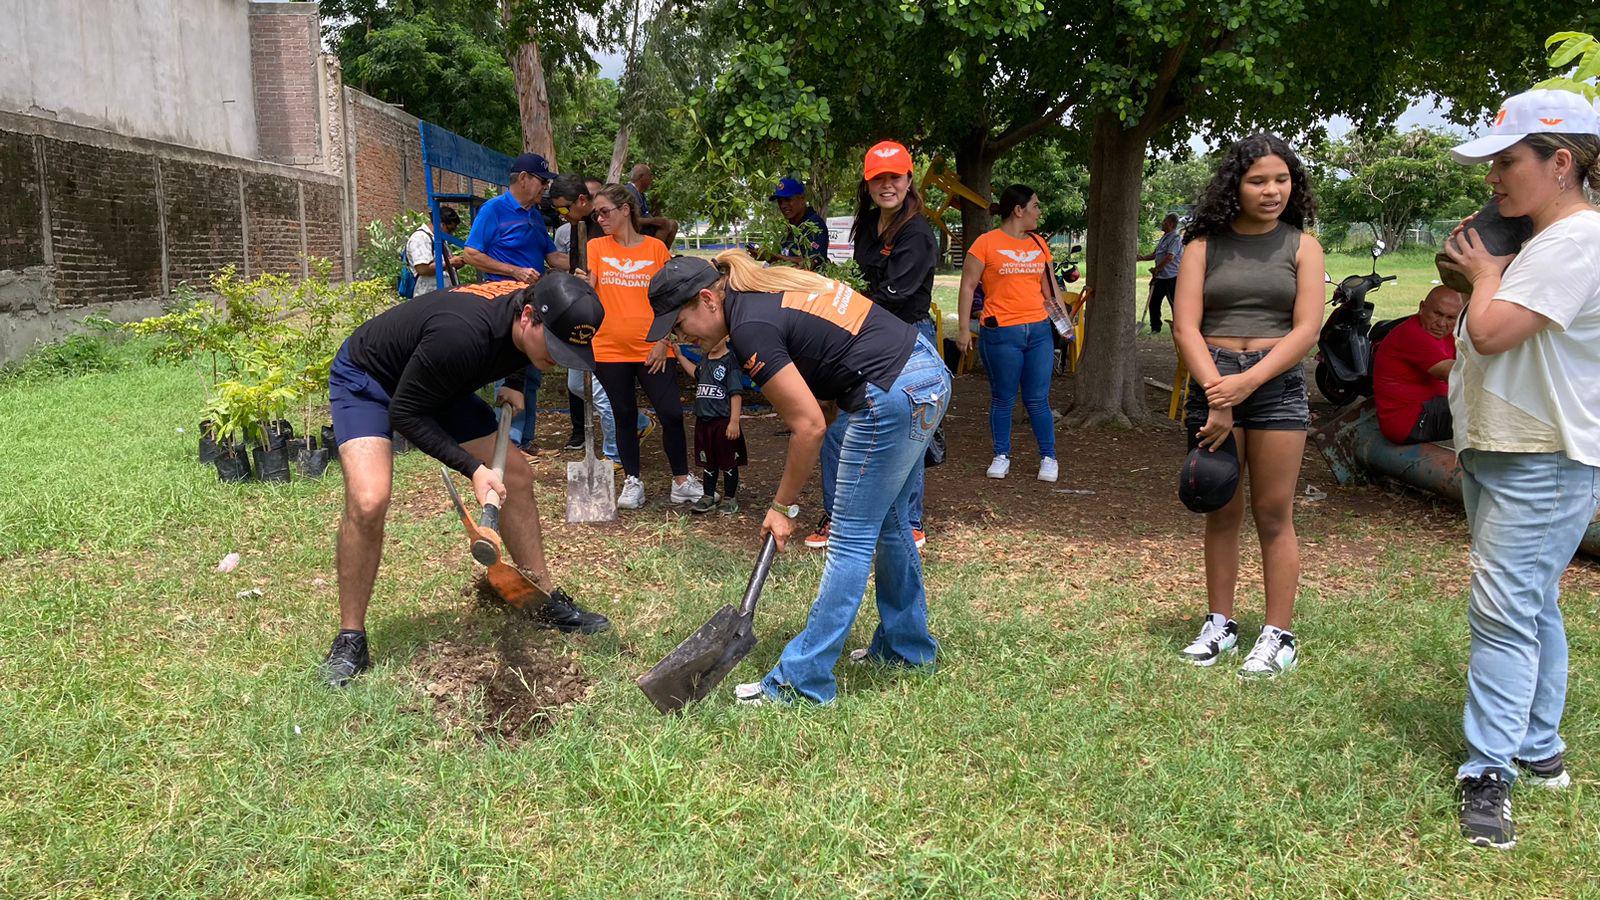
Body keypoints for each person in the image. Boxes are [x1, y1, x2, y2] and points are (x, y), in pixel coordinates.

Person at [644, 250, 951, 705]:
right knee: (888, 522)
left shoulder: (749, 329)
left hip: (890, 391)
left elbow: (809, 426)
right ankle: (908, 649)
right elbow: (827, 365)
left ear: (708, 298)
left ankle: (801, 681)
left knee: (849, 536)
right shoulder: (767, 290)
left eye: (679, 322)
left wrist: (782, 507)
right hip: (924, 373)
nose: (681, 335)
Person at [1437, 88, 1600, 851]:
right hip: (1510, 449)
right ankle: (1539, 749)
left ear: (1560, 162)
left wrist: (1479, 274)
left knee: (1503, 615)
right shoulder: (1545, 242)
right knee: (1531, 607)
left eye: (1508, 161)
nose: (1495, 178)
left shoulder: (1577, 241)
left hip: (1540, 458)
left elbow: (1496, 330)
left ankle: (1489, 773)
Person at [320, 275, 612, 687]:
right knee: (370, 499)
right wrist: (473, 469)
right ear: (529, 317)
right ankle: (351, 636)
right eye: (556, 348)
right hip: (371, 379)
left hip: (438, 380)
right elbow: (406, 414)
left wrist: (513, 383)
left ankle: (542, 600)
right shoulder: (461, 336)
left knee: (516, 473)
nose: (560, 360)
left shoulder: (526, 305)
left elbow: (514, 349)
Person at [1171, 133, 1326, 680]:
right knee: (1222, 509)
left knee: (1273, 512)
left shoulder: (1303, 246)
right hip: (1213, 381)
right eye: (1259, 180)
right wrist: (1220, 392)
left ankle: (1277, 634)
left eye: (1281, 180)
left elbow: (1307, 327)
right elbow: (1185, 326)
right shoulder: (1202, 246)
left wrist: (1249, 382)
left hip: (1277, 383)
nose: (1271, 191)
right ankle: (1221, 624)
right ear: (1235, 185)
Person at [806, 140, 939, 551]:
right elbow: (863, 280)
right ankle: (837, 516)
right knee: (838, 428)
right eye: (878, 178)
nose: (886, 185)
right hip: (870, 333)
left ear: (908, 180)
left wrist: (842, 306)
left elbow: (895, 295)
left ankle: (910, 522)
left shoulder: (917, 232)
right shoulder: (866, 224)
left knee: (910, 430)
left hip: (909, 338)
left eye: (894, 177)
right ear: (867, 184)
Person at [587, 183, 701, 508]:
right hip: (609, 349)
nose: (600, 217)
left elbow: (671, 299)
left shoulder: (654, 249)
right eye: (596, 213)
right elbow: (589, 291)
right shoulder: (596, 248)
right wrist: (582, 286)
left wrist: (662, 340)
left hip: (653, 347)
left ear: (625, 210)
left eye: (605, 211)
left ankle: (681, 481)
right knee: (623, 415)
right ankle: (632, 482)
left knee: (671, 413)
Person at [954, 184, 1061, 484]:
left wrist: (1063, 324)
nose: (1039, 211)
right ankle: (1001, 454)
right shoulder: (986, 243)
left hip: (1038, 332)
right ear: (1019, 210)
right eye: (1036, 205)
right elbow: (968, 286)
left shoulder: (1039, 244)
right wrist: (964, 329)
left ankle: (1048, 457)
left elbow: (1049, 291)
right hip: (1001, 334)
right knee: (1003, 398)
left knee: (1038, 399)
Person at [461, 154, 568, 453]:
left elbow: (552, 257)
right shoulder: (494, 210)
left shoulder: (534, 215)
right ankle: (508, 444)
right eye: (541, 181)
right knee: (507, 372)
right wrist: (515, 271)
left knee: (531, 368)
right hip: (503, 304)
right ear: (523, 178)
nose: (545, 188)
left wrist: (586, 262)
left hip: (531, 304)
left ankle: (526, 440)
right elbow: (471, 253)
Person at [1372, 285, 1464, 444]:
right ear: (1422, 308)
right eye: (1437, 314)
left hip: (1430, 409)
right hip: (1413, 422)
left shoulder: (1446, 334)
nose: (1442, 323)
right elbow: (1454, 373)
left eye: (1450, 318)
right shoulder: (1413, 334)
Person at [678, 335, 745, 515]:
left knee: (728, 461)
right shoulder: (706, 358)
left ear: (726, 336)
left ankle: (730, 498)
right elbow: (697, 373)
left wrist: (734, 421)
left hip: (722, 421)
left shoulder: (730, 361)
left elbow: (736, 393)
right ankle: (708, 496)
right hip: (704, 421)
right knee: (708, 461)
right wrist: (681, 357)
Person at [765, 177, 829, 269]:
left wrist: (775, 257)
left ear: (802, 198)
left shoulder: (815, 225)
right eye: (780, 201)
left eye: (788, 200)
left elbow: (811, 263)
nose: (783, 206)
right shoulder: (789, 228)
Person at [403, 206, 464, 297]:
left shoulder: (438, 239)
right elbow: (422, 269)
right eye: (450, 229)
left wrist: (456, 263)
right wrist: (451, 263)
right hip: (428, 296)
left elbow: (443, 265)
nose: (451, 234)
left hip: (442, 295)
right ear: (441, 224)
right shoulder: (420, 238)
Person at [1138, 213, 1185, 332]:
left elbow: (1170, 257)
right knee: (1153, 302)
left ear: (1170, 223)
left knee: (1175, 304)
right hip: (1160, 277)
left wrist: (1157, 268)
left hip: (1172, 277)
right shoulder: (1164, 237)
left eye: (1164, 221)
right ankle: (1155, 328)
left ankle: (1180, 328)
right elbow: (1156, 254)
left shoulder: (1175, 238)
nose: (1162, 223)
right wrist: (1142, 257)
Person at [625, 163, 679, 250]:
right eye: (650, 176)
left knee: (672, 224)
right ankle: (653, 254)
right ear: (641, 177)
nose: (651, 179)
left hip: (643, 227)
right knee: (664, 223)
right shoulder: (630, 192)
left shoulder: (640, 193)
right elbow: (635, 219)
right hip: (635, 230)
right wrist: (654, 220)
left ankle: (663, 254)